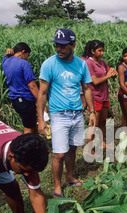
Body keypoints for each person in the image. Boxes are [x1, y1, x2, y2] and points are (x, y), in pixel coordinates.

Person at [37, 28, 96, 198]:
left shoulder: (81, 64)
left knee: (72, 149)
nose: (59, 49)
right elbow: (41, 94)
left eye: (63, 46)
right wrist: (41, 120)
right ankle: (57, 186)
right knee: (59, 153)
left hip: (77, 113)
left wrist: (92, 112)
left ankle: (69, 177)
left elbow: (86, 88)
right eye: (57, 45)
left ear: (73, 46)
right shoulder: (49, 64)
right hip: (58, 114)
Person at [85, 40, 118, 150]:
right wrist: (108, 76)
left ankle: (102, 143)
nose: (102, 53)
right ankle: (90, 147)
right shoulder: (88, 63)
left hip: (104, 96)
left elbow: (110, 73)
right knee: (94, 123)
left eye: (103, 50)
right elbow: (94, 81)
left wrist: (113, 73)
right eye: (99, 50)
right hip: (95, 97)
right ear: (92, 51)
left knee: (103, 122)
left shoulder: (102, 62)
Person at [2, 42, 39, 134]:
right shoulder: (24, 63)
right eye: (27, 55)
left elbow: (7, 55)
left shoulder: (5, 61)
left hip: (15, 100)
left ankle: (37, 146)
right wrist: (40, 101)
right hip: (25, 100)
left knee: (32, 124)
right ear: (23, 52)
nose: (27, 58)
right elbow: (32, 85)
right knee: (28, 129)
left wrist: (8, 53)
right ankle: (24, 147)